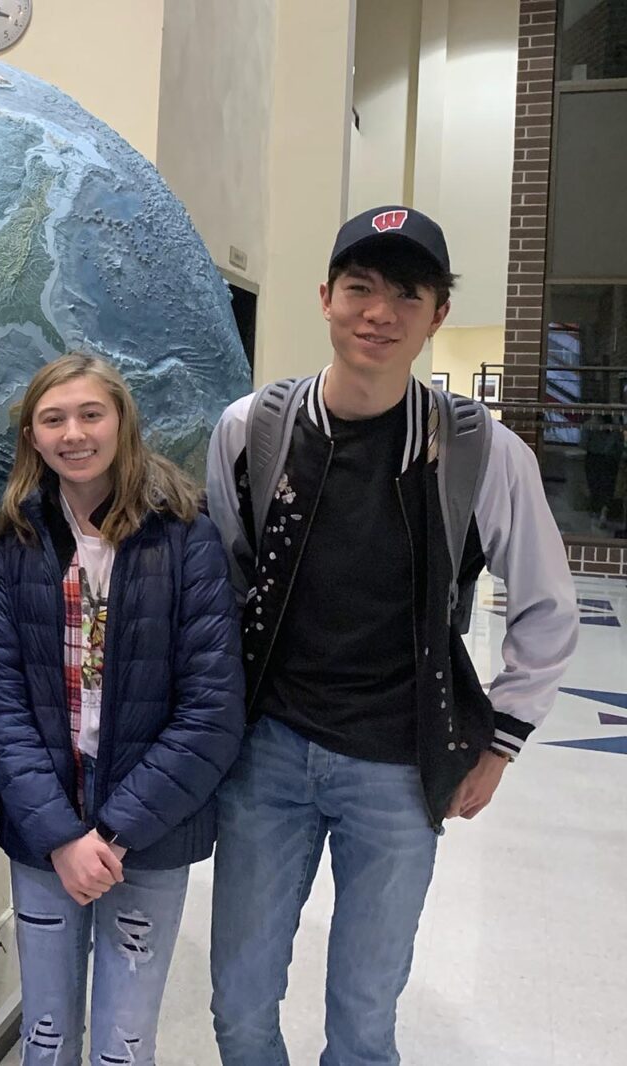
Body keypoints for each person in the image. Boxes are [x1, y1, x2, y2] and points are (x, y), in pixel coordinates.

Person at [205, 205, 579, 1065]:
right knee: (239, 1007)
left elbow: (547, 608)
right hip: (267, 756)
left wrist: (501, 742)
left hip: (400, 767)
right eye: (360, 288)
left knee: (365, 1022)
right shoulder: (252, 430)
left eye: (407, 293)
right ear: (326, 298)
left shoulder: (482, 453)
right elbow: (221, 590)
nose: (380, 312)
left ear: (437, 314)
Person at [0, 355, 244, 1066]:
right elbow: (1, 706)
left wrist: (117, 832)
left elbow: (212, 712)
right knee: (46, 1037)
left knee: (124, 1044)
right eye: (53, 419)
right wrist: (62, 836)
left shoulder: (187, 539)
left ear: (123, 423)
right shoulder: (15, 545)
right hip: (45, 839)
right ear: (32, 437)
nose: (74, 433)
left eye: (91, 414)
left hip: (150, 843)